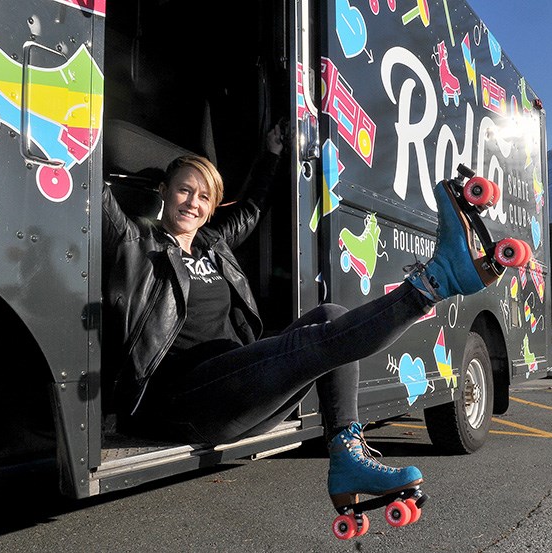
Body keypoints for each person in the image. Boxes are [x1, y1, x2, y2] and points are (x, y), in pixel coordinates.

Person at [101, 123, 490, 512]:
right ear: (164, 192)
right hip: (182, 400)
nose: (192, 202)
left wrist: (272, 151)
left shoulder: (213, 245)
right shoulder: (135, 241)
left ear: (212, 206)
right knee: (308, 342)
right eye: (184, 190)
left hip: (239, 391)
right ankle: (430, 285)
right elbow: (91, 190)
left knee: (330, 315)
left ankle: (346, 455)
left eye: (204, 196)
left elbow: (252, 208)